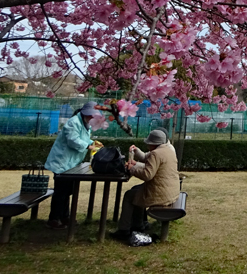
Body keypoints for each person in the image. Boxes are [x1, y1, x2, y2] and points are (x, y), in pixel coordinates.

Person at [110, 129, 179, 240]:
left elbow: (147, 175)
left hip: (161, 194)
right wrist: (136, 163)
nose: (148, 145)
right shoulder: (168, 149)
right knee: (136, 190)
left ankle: (124, 230)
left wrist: (132, 169)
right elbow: (152, 166)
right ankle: (138, 225)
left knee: (129, 195)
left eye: (149, 143)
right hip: (170, 191)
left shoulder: (156, 153)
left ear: (154, 144)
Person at [44, 101, 102, 230]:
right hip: (62, 162)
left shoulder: (86, 124)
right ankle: (53, 219)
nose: (92, 117)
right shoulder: (73, 122)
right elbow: (73, 140)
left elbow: (84, 139)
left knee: (67, 191)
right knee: (61, 192)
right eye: (91, 115)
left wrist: (92, 143)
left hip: (71, 164)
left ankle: (65, 217)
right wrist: (88, 146)